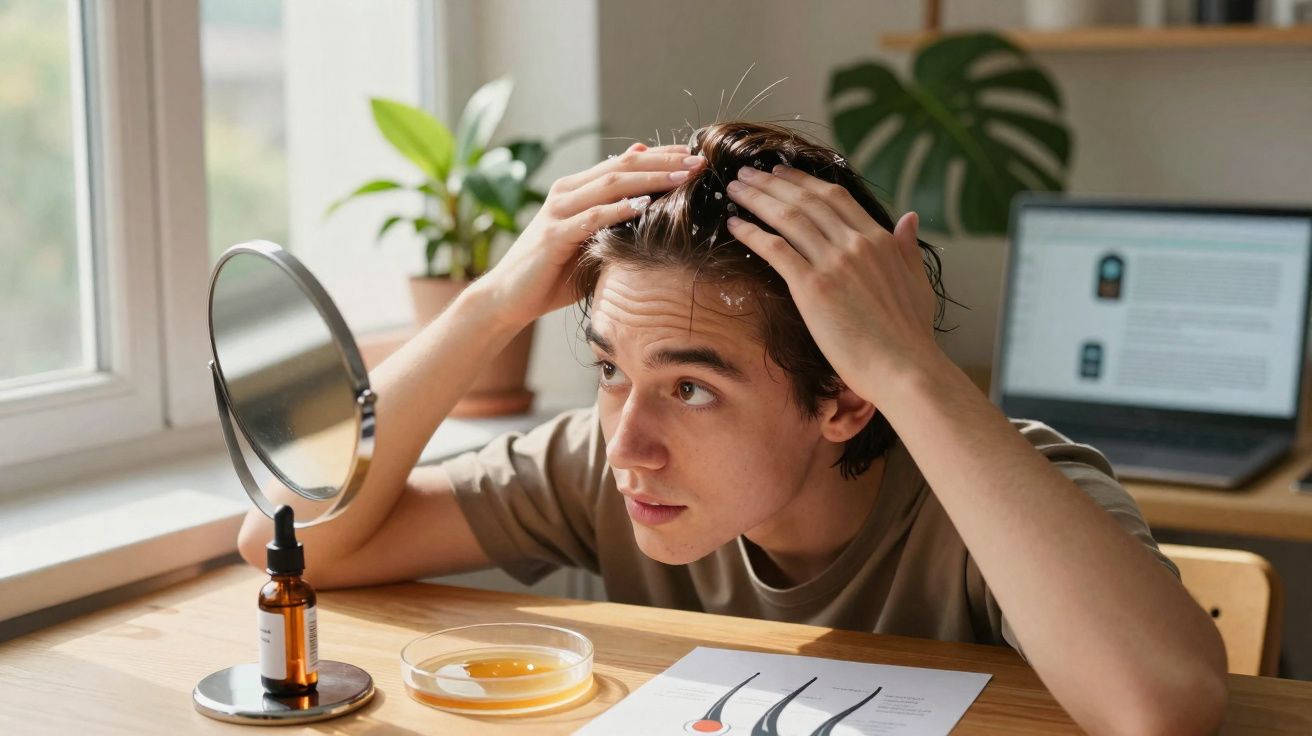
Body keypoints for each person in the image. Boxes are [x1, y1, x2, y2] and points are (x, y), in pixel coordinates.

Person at [238, 121, 1227, 734]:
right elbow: (288, 540)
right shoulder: (602, 462)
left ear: (846, 398)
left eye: (691, 387)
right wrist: (490, 304)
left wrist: (908, 366)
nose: (629, 444)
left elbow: (1160, 708)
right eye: (611, 371)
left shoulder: (1007, 492)